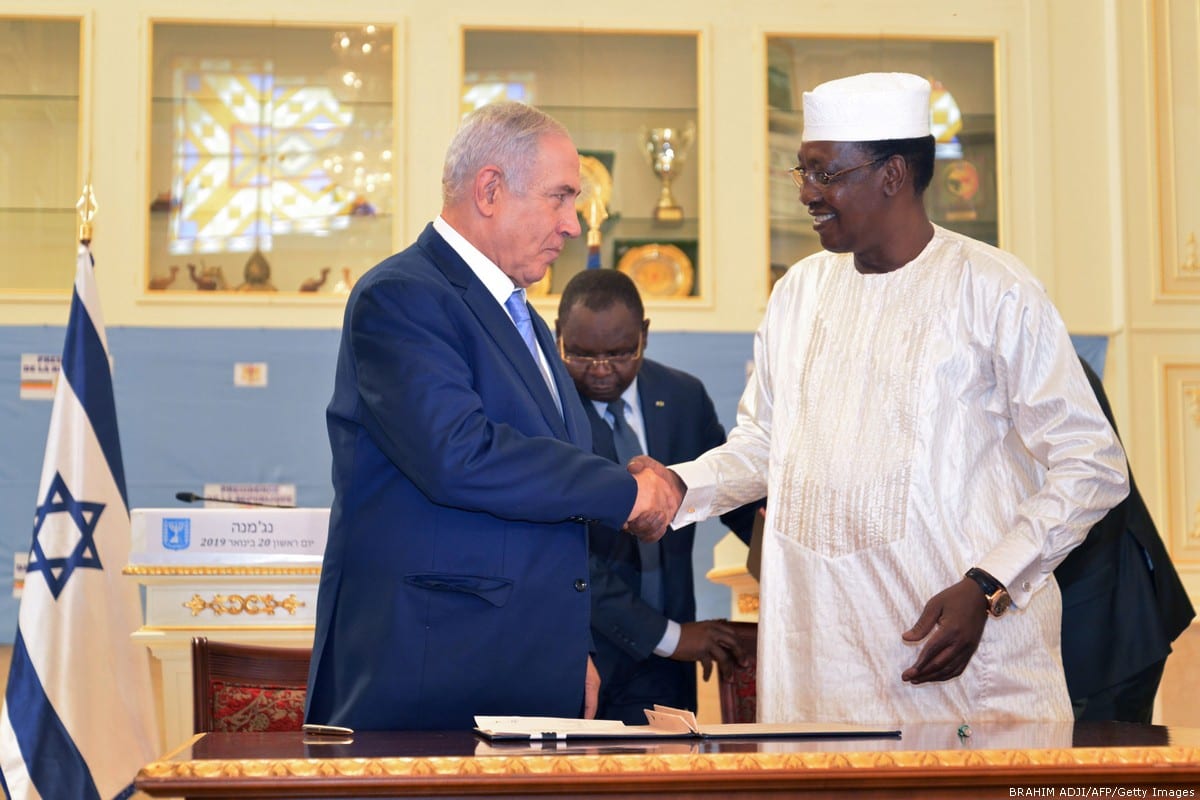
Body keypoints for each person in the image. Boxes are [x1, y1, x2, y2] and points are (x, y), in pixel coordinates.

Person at [631, 72, 1130, 726]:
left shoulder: (994, 289)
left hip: (960, 667)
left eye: (825, 175)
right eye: (802, 173)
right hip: (821, 664)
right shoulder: (799, 293)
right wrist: (677, 485)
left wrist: (988, 587)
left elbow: (1091, 464)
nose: (807, 194)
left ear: (892, 175)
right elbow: (764, 445)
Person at [306, 102, 680, 731]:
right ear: (489, 190)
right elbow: (461, 456)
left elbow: (550, 498)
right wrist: (626, 492)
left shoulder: (524, 316)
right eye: (560, 198)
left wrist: (573, 649)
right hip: (432, 671)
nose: (573, 224)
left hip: (526, 669)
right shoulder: (401, 295)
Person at [554, 269, 761, 723]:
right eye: (583, 355)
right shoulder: (544, 411)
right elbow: (565, 553)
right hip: (579, 654)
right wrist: (669, 636)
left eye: (621, 352)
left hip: (667, 668)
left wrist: (784, 559)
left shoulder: (683, 396)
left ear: (645, 335)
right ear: (558, 338)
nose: (602, 368)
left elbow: (733, 500)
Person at [1056, 357, 1195, 722]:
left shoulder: (1051, 365)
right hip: (1098, 620)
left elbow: (1090, 495)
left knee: (1103, 777)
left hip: (1108, 626)